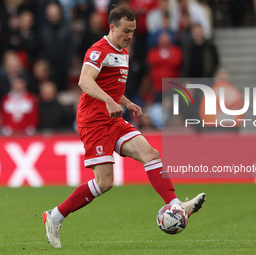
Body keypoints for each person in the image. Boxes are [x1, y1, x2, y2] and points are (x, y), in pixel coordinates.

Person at [42, 6, 206, 248]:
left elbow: (110, 86)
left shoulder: (123, 52)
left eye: (133, 31)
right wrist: (108, 100)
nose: (129, 36)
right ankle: (55, 216)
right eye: (125, 31)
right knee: (105, 183)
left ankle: (174, 203)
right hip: (94, 121)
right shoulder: (99, 50)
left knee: (151, 154)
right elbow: (84, 80)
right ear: (112, 27)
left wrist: (126, 101)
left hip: (114, 118)